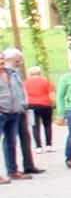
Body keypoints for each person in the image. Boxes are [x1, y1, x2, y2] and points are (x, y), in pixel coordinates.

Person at [4, 49, 44, 175]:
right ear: (9, 59)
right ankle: (12, 169)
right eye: (17, 60)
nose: (20, 63)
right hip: (8, 111)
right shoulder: (5, 74)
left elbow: (21, 91)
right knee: (10, 140)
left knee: (25, 137)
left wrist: (25, 104)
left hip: (20, 109)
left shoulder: (16, 73)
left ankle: (29, 165)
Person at [0, 48, 28, 183]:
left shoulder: (12, 73)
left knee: (11, 142)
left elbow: (20, 90)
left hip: (14, 112)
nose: (0, 61)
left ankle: (12, 171)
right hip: (1, 113)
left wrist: (22, 105)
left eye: (1, 58)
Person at [25, 64, 56, 151]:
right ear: (40, 73)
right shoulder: (45, 81)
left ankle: (38, 146)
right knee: (47, 125)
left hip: (31, 106)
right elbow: (51, 94)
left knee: (34, 126)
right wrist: (54, 103)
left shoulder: (26, 82)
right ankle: (49, 145)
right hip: (45, 105)